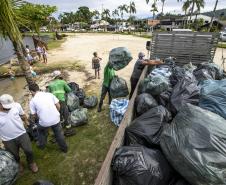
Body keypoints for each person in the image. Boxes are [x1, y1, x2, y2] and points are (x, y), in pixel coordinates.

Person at [0, 94, 38, 173]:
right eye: (6, 107)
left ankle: (31, 163)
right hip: (8, 139)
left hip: (22, 134)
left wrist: (26, 121)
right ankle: (19, 164)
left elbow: (23, 115)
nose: (9, 108)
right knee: (14, 155)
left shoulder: (16, 105)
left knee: (29, 151)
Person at [29, 83, 68, 153]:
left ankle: (42, 145)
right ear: (38, 88)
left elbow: (34, 115)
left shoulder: (32, 101)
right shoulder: (49, 94)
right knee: (59, 133)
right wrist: (56, 113)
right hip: (56, 118)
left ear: (31, 91)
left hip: (44, 122)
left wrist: (40, 118)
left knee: (40, 131)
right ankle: (64, 148)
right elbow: (58, 105)